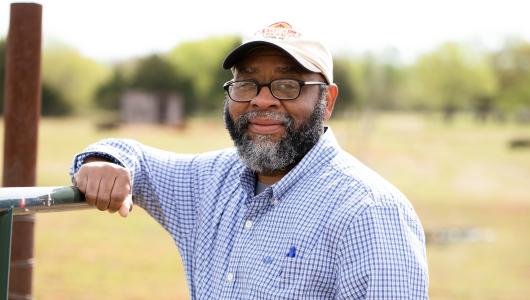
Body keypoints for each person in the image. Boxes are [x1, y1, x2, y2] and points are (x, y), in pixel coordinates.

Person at [71, 21, 429, 299]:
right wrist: (104, 161)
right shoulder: (209, 181)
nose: (262, 100)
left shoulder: (369, 212)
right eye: (247, 83)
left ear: (328, 102)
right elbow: (136, 158)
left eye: (287, 85)